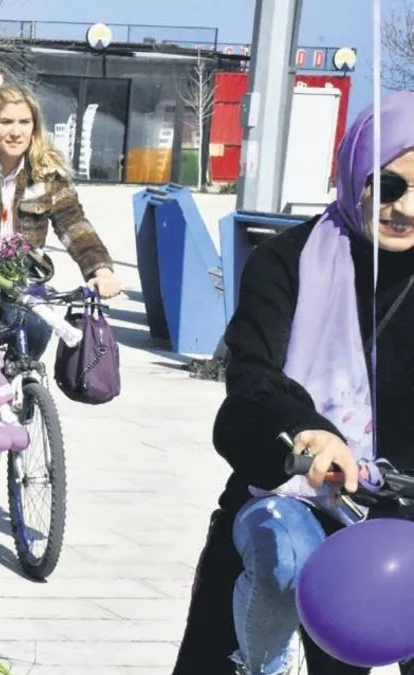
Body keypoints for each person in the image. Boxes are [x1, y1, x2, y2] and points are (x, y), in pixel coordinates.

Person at [172, 93, 414, 675]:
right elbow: (252, 378)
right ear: (356, 173)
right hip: (289, 493)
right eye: (389, 186)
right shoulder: (287, 259)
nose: (405, 208)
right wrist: (310, 432)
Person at [0, 83, 123, 515]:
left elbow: (74, 223)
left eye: (24, 122)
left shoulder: (47, 171)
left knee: (36, 327)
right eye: (6, 122)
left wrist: (99, 269)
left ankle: (20, 396)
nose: (16, 131)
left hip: (18, 280)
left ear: (36, 126)